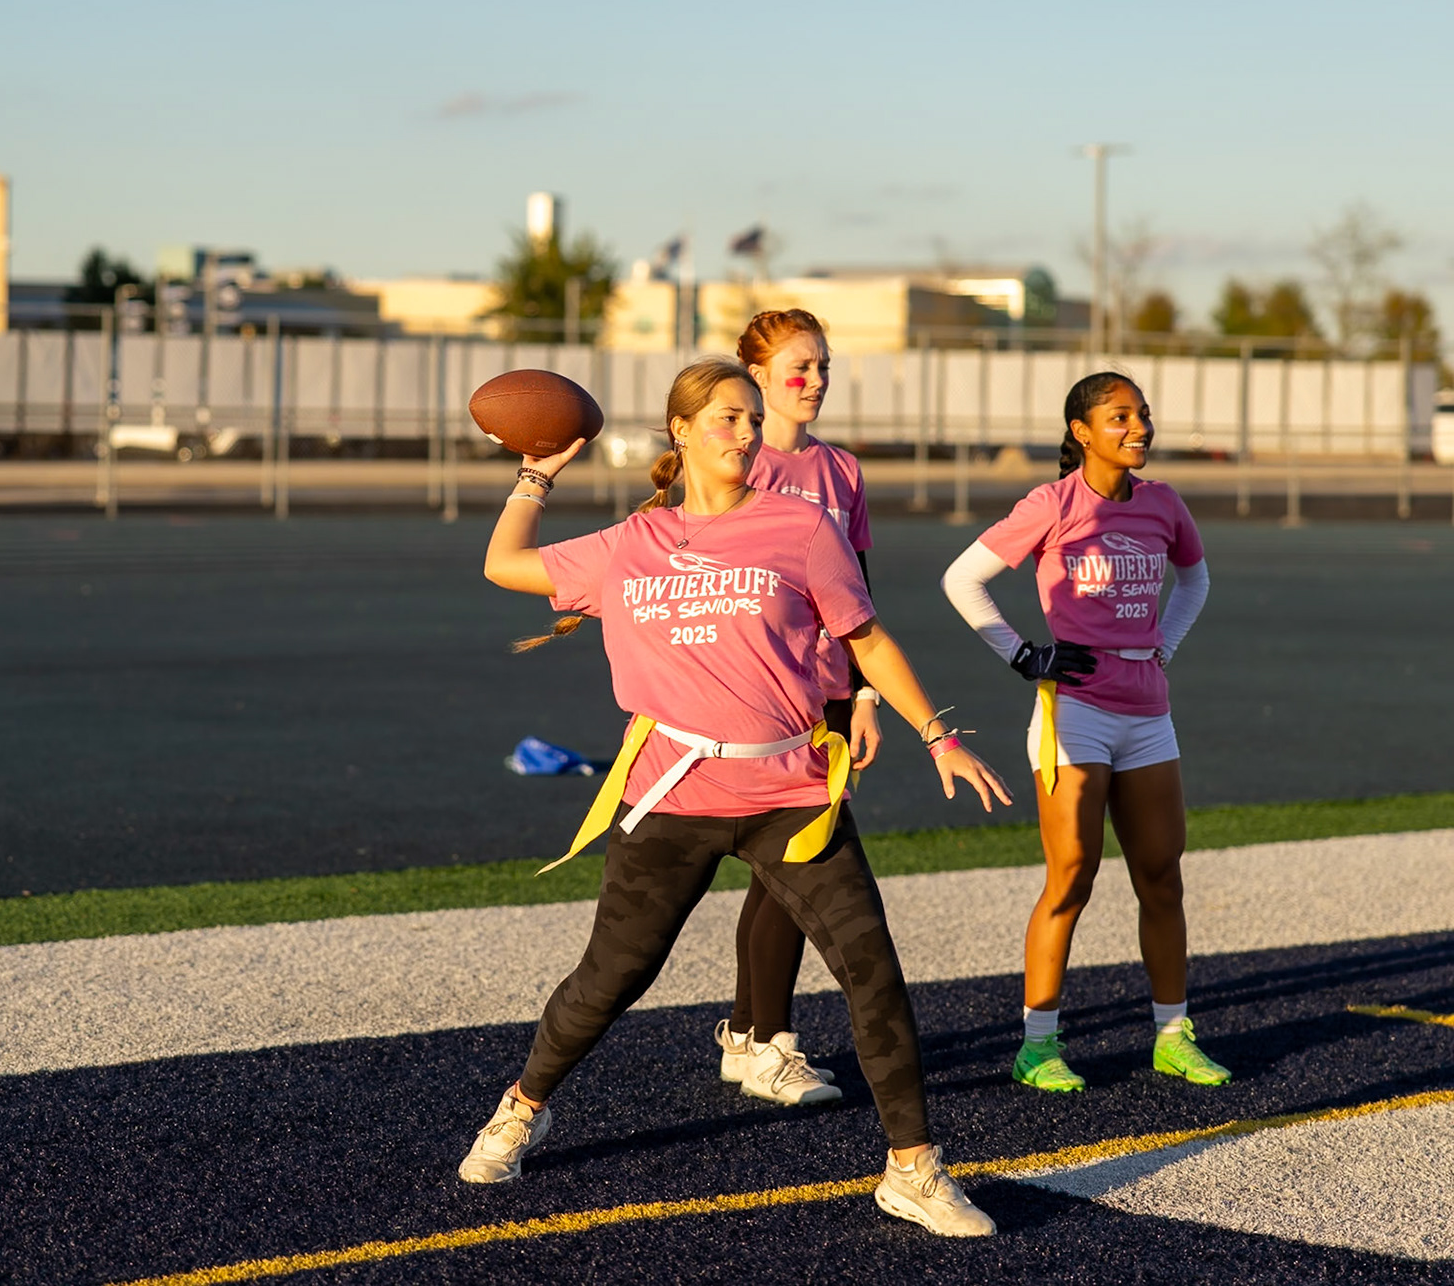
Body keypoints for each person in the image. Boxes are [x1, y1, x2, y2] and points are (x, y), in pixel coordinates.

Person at [459, 357, 1010, 1238]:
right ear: (679, 430)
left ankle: (913, 1168)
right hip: (672, 794)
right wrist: (537, 473)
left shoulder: (801, 527)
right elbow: (501, 565)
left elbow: (866, 641)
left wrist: (937, 734)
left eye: (753, 418)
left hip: (791, 794)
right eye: (726, 417)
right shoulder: (631, 543)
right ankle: (522, 1108)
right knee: (609, 979)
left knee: (872, 973)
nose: (747, 433)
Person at [940, 371, 1225, 1093]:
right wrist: (1022, 655)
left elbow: (1195, 581)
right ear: (1082, 431)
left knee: (1161, 876)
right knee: (1072, 876)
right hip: (1075, 714)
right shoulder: (1052, 503)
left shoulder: (1163, 502)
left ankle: (1172, 1036)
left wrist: (1165, 645)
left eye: (1143, 414)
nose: (1139, 427)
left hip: (1149, 712)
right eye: (1120, 416)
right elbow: (962, 579)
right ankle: (1038, 1045)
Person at [715, 308, 879, 1105]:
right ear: (756, 376)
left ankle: (750, 1039)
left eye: (823, 366)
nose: (815, 381)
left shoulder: (842, 470)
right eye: (799, 367)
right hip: (766, 698)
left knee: (785, 873)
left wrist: (866, 694)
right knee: (794, 865)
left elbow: (860, 593)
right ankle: (768, 1044)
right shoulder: (738, 468)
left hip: (832, 697)